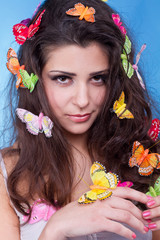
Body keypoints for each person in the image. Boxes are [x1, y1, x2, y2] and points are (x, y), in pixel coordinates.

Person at [0, 0, 160, 239]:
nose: (83, 100)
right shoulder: (5, 177)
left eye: (97, 78)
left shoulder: (147, 160)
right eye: (63, 79)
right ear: (36, 78)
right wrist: (56, 229)